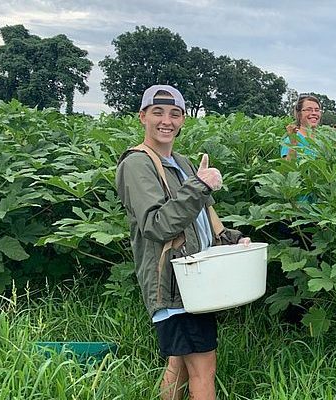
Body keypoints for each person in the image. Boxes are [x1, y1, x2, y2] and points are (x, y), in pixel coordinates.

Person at [116, 84, 249, 400]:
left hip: (196, 282)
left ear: (183, 119)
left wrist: (232, 240)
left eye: (174, 114)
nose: (166, 121)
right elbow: (156, 225)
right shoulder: (137, 164)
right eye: (158, 112)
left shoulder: (183, 162)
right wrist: (199, 186)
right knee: (204, 371)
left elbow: (206, 218)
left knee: (180, 365)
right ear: (142, 117)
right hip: (174, 285)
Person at [281, 94, 322, 160]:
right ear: (299, 114)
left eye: (317, 110)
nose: (314, 113)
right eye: (309, 110)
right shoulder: (290, 140)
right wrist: (293, 144)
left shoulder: (321, 140)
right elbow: (287, 167)